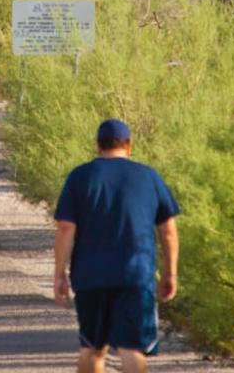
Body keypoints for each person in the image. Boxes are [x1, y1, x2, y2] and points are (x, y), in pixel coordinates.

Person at [52, 119, 182, 373]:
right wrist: (170, 272)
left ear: (97, 146)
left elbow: (66, 227)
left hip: (91, 277)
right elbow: (168, 230)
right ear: (129, 145)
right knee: (131, 348)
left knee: (92, 347)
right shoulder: (148, 176)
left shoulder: (80, 177)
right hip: (135, 275)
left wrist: (59, 274)